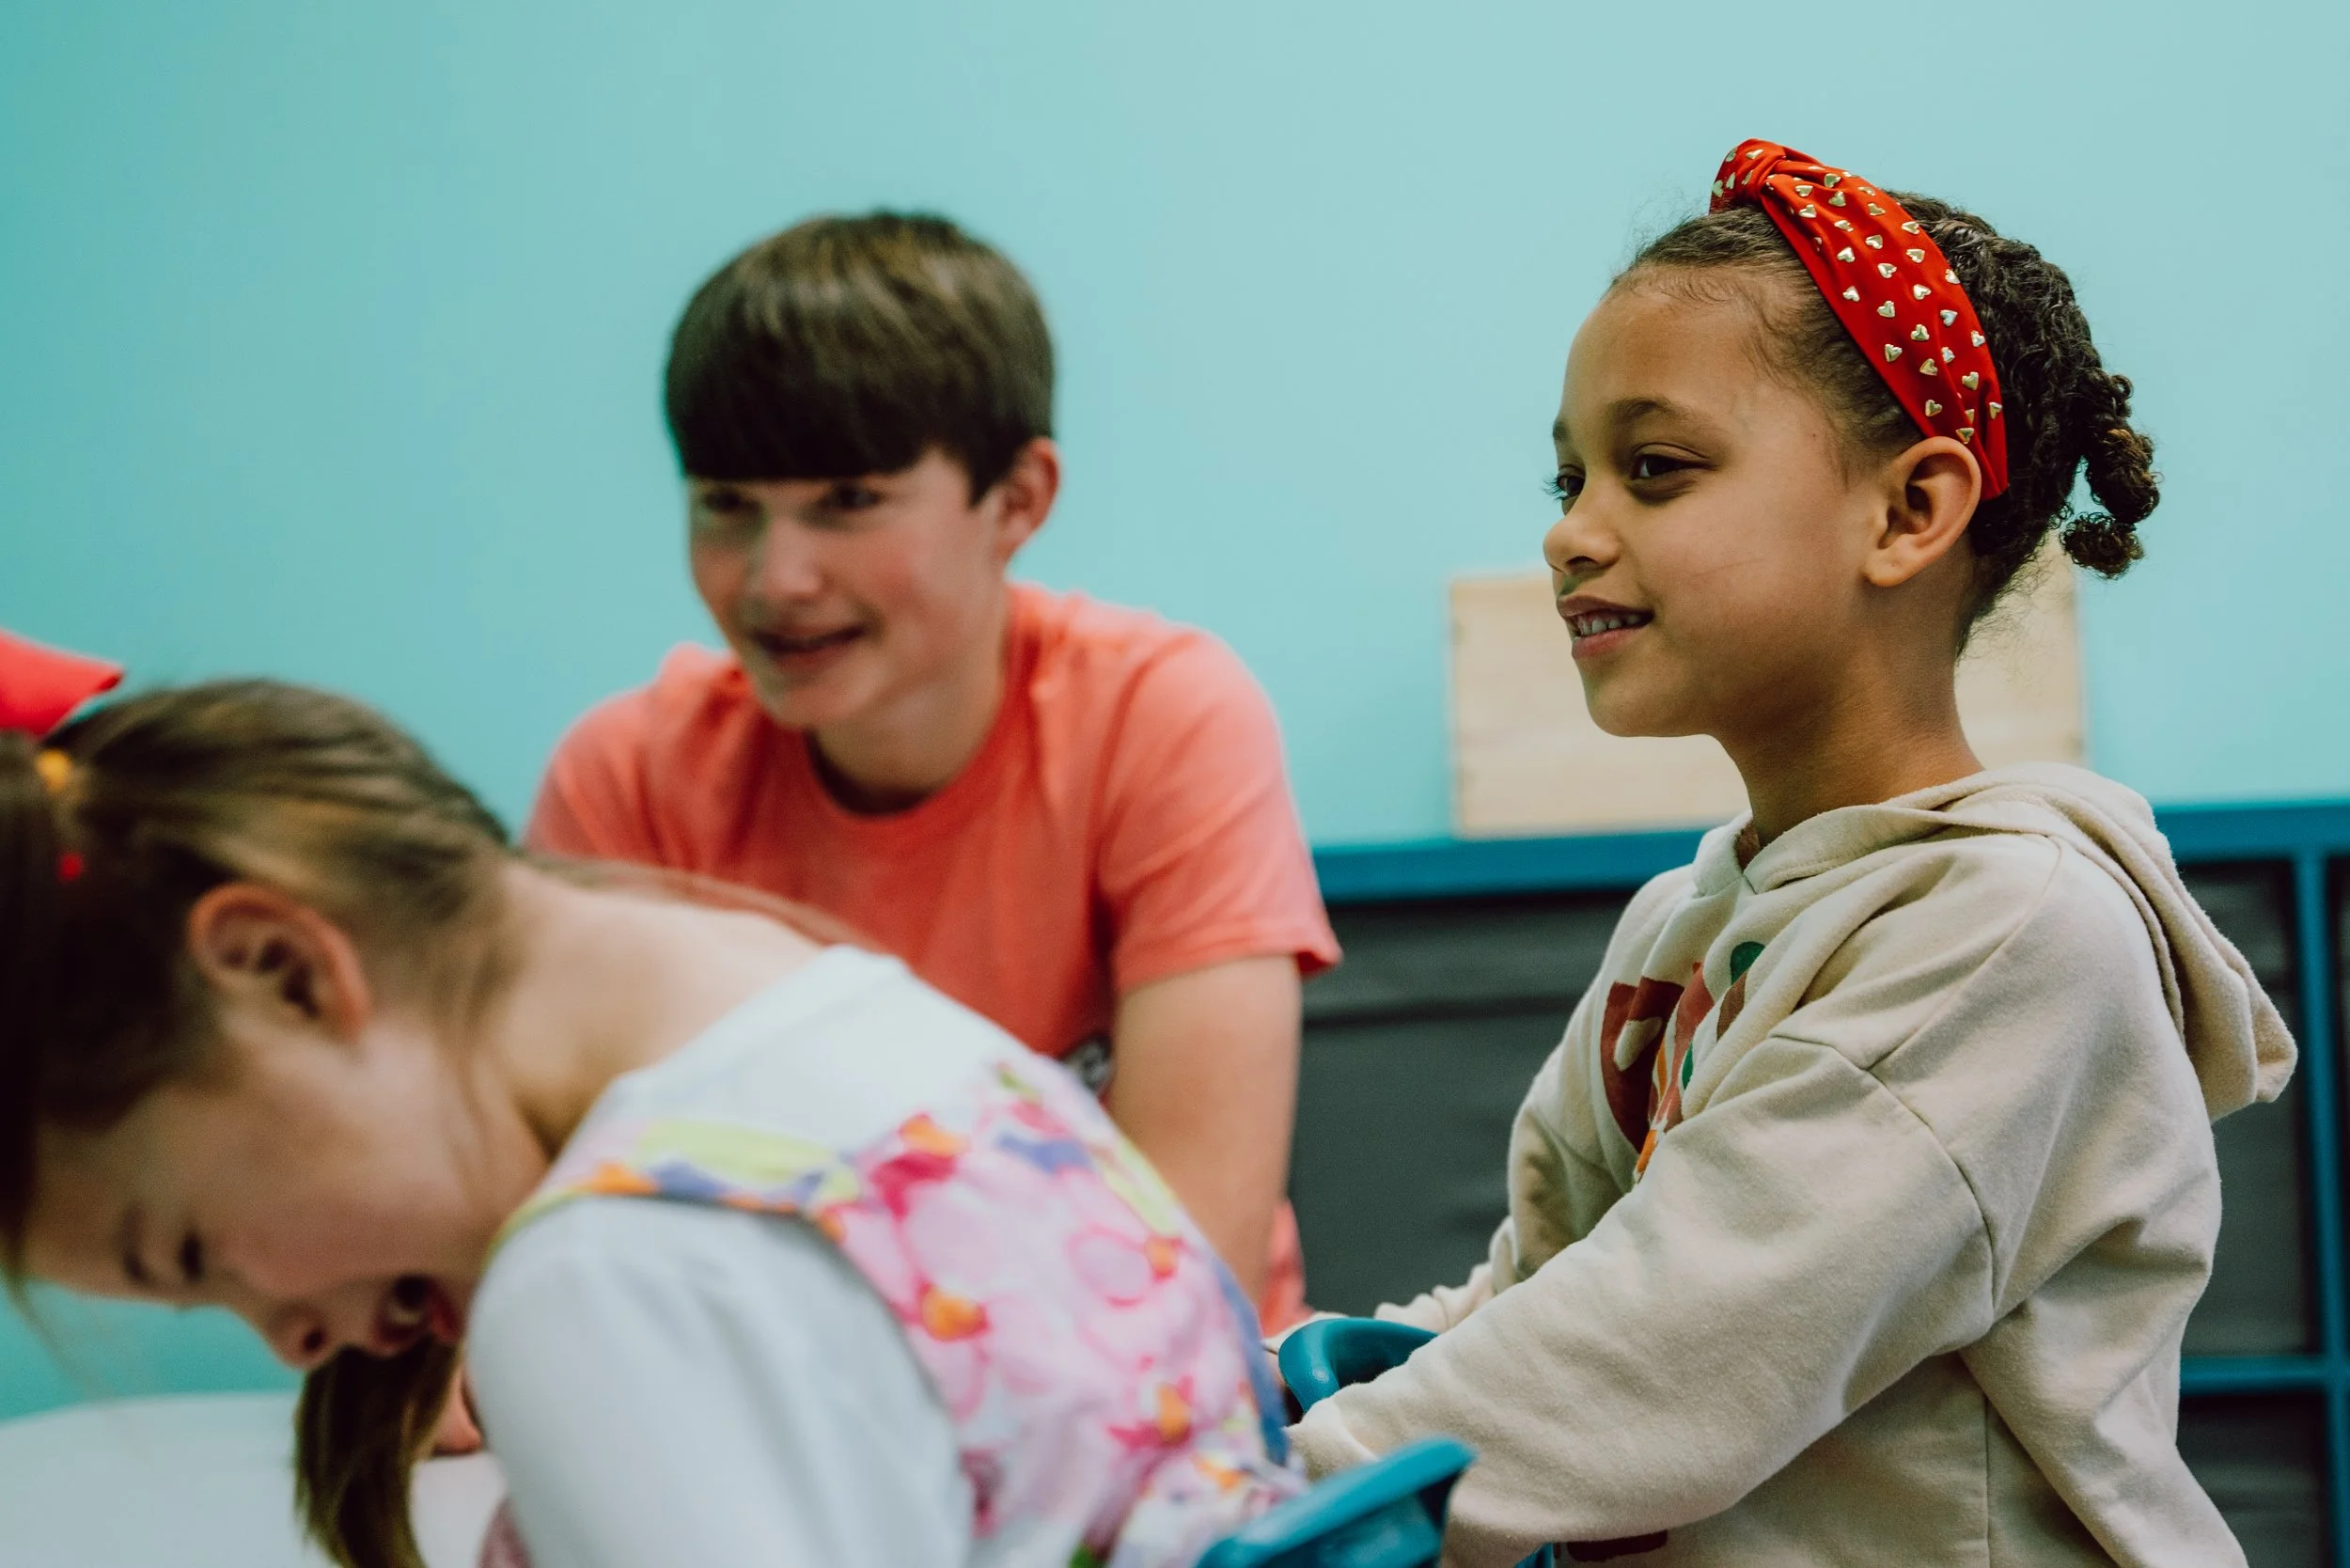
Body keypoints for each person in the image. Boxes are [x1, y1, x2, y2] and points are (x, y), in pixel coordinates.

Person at [1284, 140, 2296, 1566]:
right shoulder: (1683, 930)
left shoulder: (2010, 935)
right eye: (1569, 476)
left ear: (1908, 512)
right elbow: (1546, 1305)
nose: (1571, 533)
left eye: (1655, 469)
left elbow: (1661, 1352)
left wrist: (1261, 1503)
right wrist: (1262, 1400)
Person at [1, 659, 1302, 1568]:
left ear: (284, 972)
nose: (284, 1338)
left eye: (190, 1255)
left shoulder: (606, 1278)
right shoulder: (876, 1031)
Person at [530, 212, 1338, 1328]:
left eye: (847, 502)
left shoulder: (1164, 719)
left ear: (1016, 501)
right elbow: (557, 1238)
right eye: (726, 505)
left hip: (1150, 1428)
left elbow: (1183, 1279)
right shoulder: (623, 777)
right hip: (771, 1427)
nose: (776, 579)